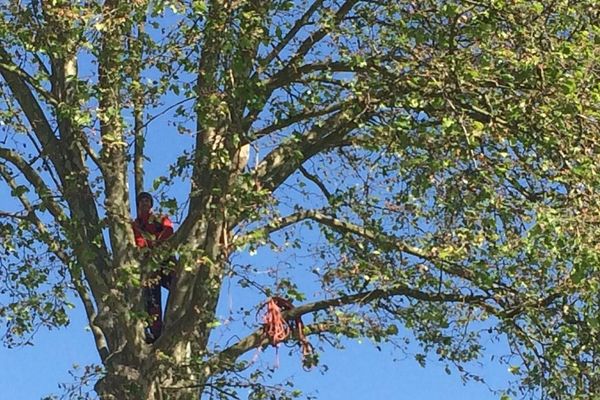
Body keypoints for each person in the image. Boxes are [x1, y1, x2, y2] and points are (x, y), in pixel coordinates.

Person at [132, 191, 175, 343]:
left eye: (147, 200)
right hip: (149, 265)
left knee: (178, 283)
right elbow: (137, 240)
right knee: (152, 300)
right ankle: (156, 333)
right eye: (142, 201)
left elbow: (169, 231)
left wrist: (157, 244)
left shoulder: (159, 218)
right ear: (138, 205)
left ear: (151, 204)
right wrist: (146, 250)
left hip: (164, 258)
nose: (145, 203)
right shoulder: (136, 224)